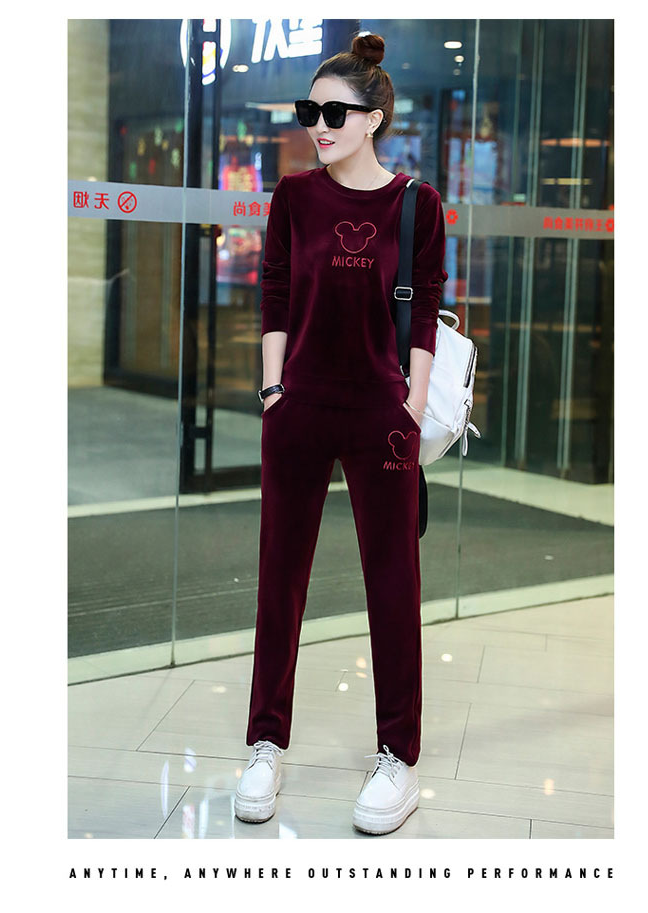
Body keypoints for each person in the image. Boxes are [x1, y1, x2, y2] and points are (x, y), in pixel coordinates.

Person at [234, 32, 448, 836]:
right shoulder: (294, 196)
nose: (317, 127)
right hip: (299, 407)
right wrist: (273, 388)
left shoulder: (416, 204)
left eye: (333, 113)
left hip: (381, 413)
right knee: (279, 578)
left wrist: (410, 403)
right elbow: (275, 293)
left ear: (374, 118)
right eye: (309, 112)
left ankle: (399, 756)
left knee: (392, 580)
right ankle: (265, 743)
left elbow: (423, 308)